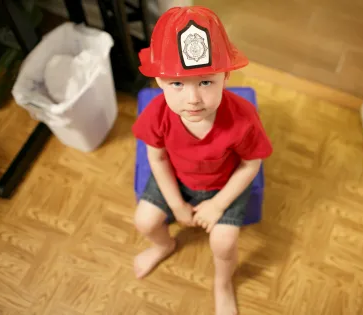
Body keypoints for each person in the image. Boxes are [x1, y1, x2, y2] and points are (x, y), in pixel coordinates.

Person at [131, 5, 273, 315]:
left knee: (223, 243)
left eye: (205, 82)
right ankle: (163, 246)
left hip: (225, 184)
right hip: (177, 178)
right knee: (144, 221)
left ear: (225, 76)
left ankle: (223, 283)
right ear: (159, 82)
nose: (192, 99)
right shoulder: (157, 113)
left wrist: (219, 205)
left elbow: (251, 164)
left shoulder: (243, 120)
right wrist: (177, 204)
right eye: (177, 84)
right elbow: (157, 159)